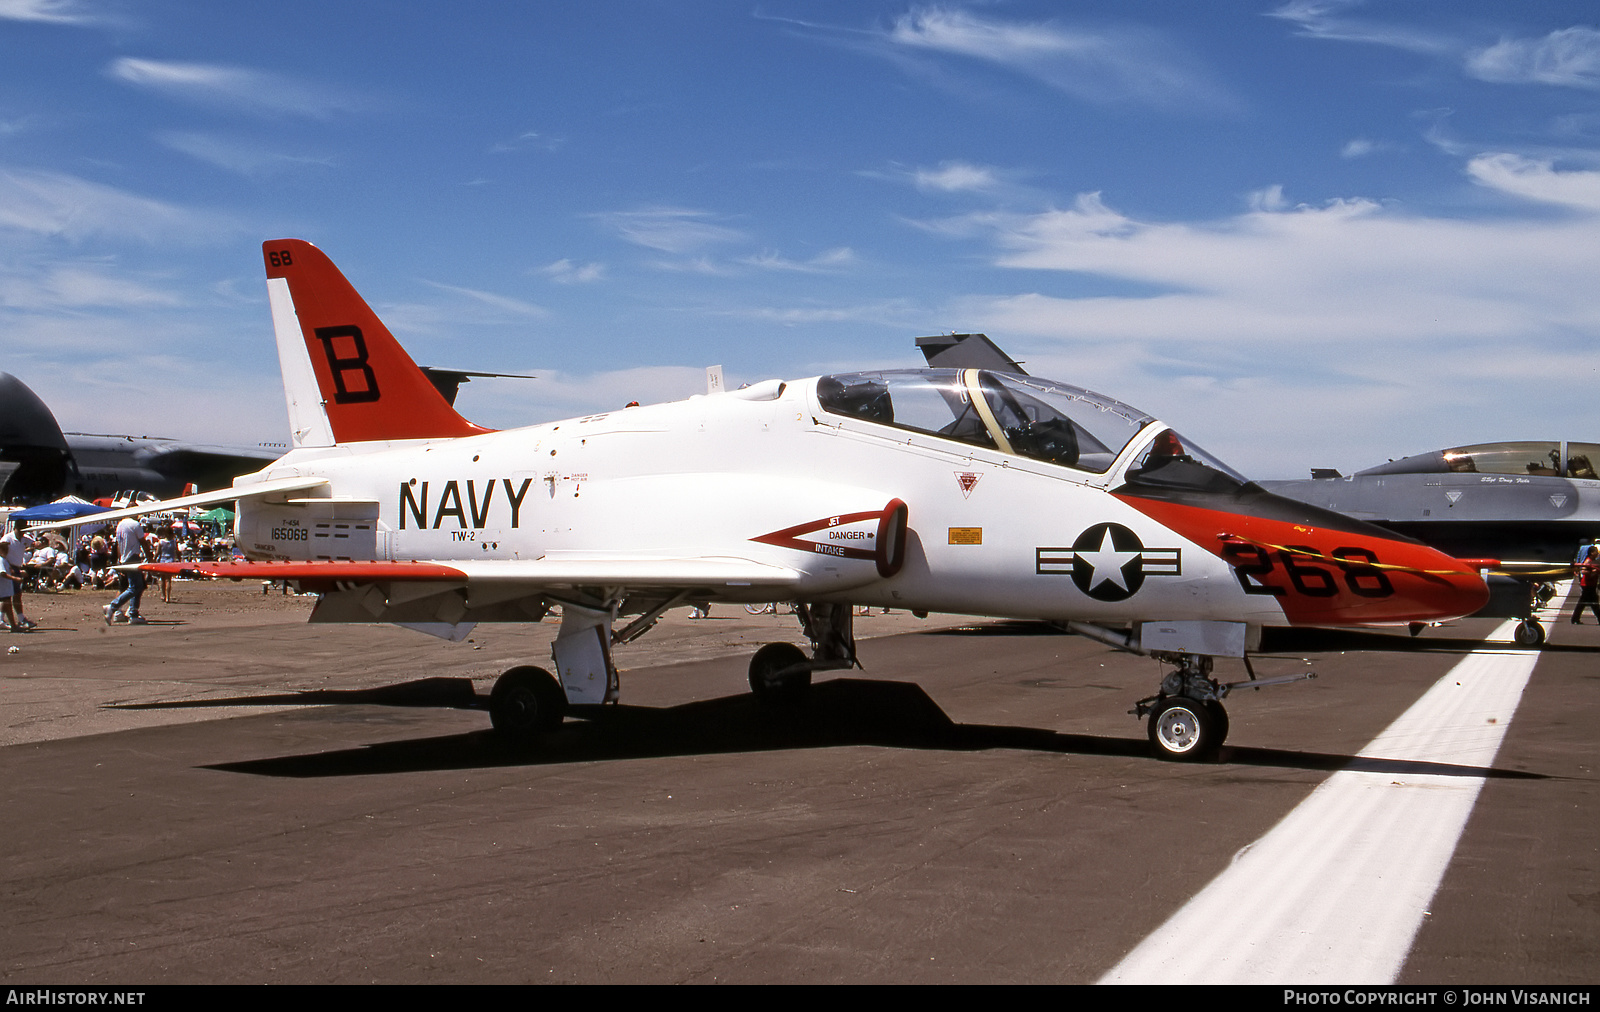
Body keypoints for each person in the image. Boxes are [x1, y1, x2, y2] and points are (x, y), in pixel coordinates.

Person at [105, 517, 149, 625]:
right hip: (133, 557)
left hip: (124, 558)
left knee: (138, 586)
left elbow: (119, 544)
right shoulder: (135, 525)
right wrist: (150, 557)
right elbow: (143, 542)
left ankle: (132, 613)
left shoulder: (120, 525)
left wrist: (120, 561)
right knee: (135, 587)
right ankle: (113, 607)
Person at [0, 524, 37, 631]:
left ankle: (6, 620)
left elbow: (33, 543)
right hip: (9, 566)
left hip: (15, 567)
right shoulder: (7, 538)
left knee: (7, 597)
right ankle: (17, 621)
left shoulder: (25, 538)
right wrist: (15, 576)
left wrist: (36, 544)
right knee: (9, 596)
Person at [1572, 546, 1600, 625]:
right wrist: (1592, 572)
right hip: (1587, 584)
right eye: (1596, 552)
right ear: (1591, 553)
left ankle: (1575, 619)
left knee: (1586, 603)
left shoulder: (1594, 561)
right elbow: (1583, 571)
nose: (1597, 553)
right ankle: (1575, 619)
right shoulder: (1588, 561)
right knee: (1593, 603)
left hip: (1591, 584)